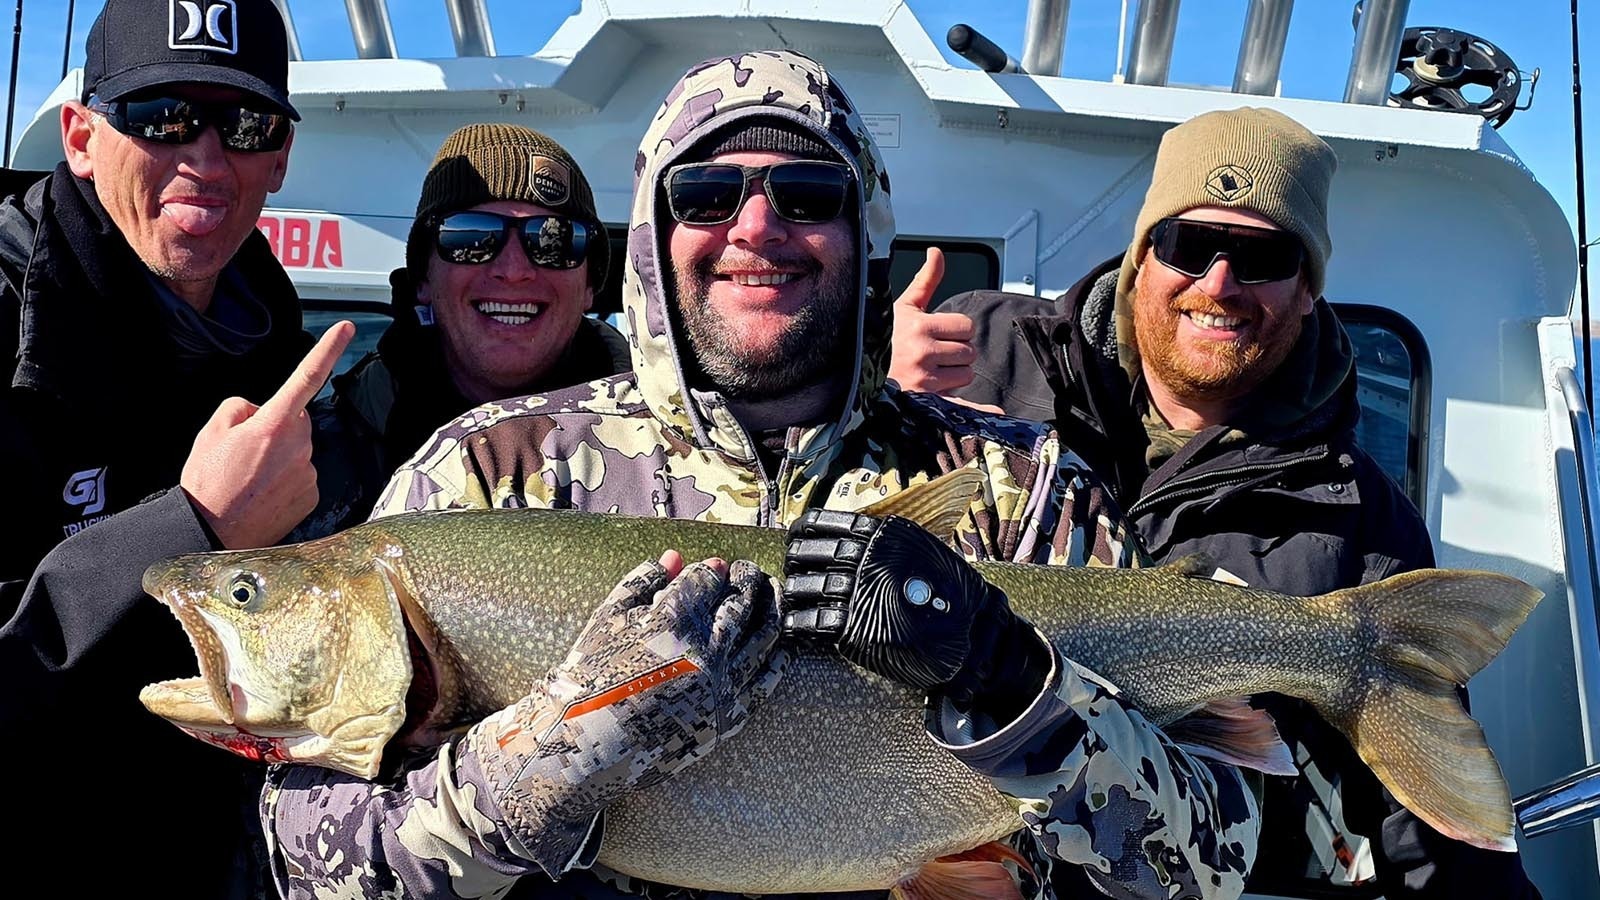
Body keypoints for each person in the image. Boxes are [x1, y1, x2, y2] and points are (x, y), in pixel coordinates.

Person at [260, 50, 1259, 900]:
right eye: (704, 194)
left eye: (807, 194)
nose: (754, 227)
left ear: (862, 229)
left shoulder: (1023, 488)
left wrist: (1015, 692)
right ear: (653, 238)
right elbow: (310, 864)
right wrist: (530, 771)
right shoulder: (483, 475)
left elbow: (1214, 860)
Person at [888, 106, 1540, 898]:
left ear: (1307, 292)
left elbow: (1421, 827)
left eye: (1261, 255)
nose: (1219, 285)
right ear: (1141, 263)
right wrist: (883, 397)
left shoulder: (1356, 518)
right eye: (1190, 247)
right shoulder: (982, 357)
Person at [0, 2, 351, 896]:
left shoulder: (276, 345)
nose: (204, 156)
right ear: (80, 138)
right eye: (161, 117)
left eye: (244, 124)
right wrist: (191, 528)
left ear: (280, 156)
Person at [295, 124, 631, 538]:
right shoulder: (309, 463)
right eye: (470, 236)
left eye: (554, 241)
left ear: (590, 285)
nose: (513, 271)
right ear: (422, 279)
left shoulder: (686, 445)